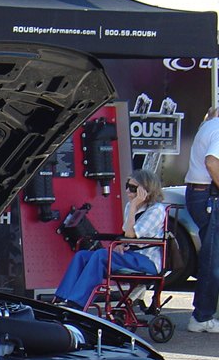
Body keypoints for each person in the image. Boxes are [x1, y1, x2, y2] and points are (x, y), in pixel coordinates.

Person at [54, 168, 166, 309]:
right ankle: (61, 297)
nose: (127, 191)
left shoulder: (156, 210)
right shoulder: (130, 207)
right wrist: (120, 243)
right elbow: (127, 236)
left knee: (101, 255)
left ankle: (77, 303)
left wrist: (133, 206)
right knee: (82, 255)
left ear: (146, 190)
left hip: (147, 260)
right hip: (130, 255)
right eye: (127, 186)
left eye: (132, 188)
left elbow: (131, 234)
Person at [184, 107, 219, 333]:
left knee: (213, 256)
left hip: (200, 194)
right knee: (212, 259)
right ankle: (201, 316)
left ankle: (203, 314)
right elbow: (212, 162)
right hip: (208, 196)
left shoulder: (209, 124)